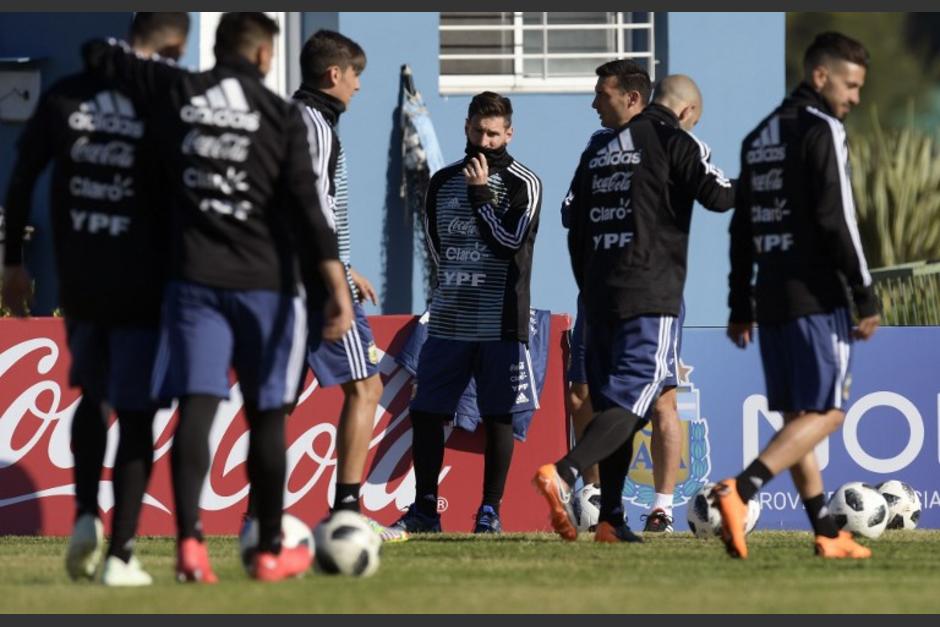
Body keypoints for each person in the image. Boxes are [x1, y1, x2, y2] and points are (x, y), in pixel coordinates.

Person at [83, 12, 353, 582]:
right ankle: (266, 550)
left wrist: (129, 49)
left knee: (197, 410)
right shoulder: (282, 115)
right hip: (266, 289)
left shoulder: (181, 91)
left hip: (193, 283)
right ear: (261, 57)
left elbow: (98, 54)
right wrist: (336, 286)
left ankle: (189, 547)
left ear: (215, 46)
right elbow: (310, 210)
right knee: (267, 416)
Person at [3, 12, 190, 586]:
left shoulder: (67, 93)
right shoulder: (166, 98)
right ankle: (122, 552)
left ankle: (86, 515)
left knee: (93, 396)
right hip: (146, 277)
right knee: (135, 413)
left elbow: (21, 174)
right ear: (173, 47)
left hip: (81, 271)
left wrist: (11, 261)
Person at [534, 59, 734, 543]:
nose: (593, 104)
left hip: (598, 294)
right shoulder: (673, 140)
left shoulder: (599, 151)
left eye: (600, 94)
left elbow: (573, 226)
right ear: (686, 111)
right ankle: (563, 471)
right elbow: (719, 196)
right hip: (650, 291)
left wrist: (589, 283)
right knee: (642, 397)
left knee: (609, 406)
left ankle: (611, 519)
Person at [717, 31, 880, 560]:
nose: (854, 98)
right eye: (850, 86)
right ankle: (740, 491)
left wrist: (740, 303)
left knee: (796, 421)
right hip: (815, 294)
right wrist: (866, 294)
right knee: (829, 413)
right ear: (820, 76)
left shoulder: (757, 135)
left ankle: (828, 533)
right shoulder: (822, 129)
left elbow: (741, 229)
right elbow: (840, 220)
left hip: (772, 296)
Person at [391, 91, 542, 534]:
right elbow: (438, 247)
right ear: (466, 127)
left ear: (509, 134)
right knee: (426, 411)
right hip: (451, 318)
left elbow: (509, 243)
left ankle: (489, 510)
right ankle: (424, 510)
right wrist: (456, 284)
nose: (484, 140)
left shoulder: (523, 182)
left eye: (494, 134)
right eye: (478, 130)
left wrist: (480, 196)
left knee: (497, 414)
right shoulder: (441, 182)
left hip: (500, 319)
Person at [288, 30, 405, 542]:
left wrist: (348, 260)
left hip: (293, 276)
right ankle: (349, 514)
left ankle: (260, 513)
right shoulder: (313, 124)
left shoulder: (296, 118)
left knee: (279, 398)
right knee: (367, 386)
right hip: (315, 280)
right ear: (334, 75)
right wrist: (336, 272)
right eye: (355, 75)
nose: (358, 86)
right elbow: (311, 207)